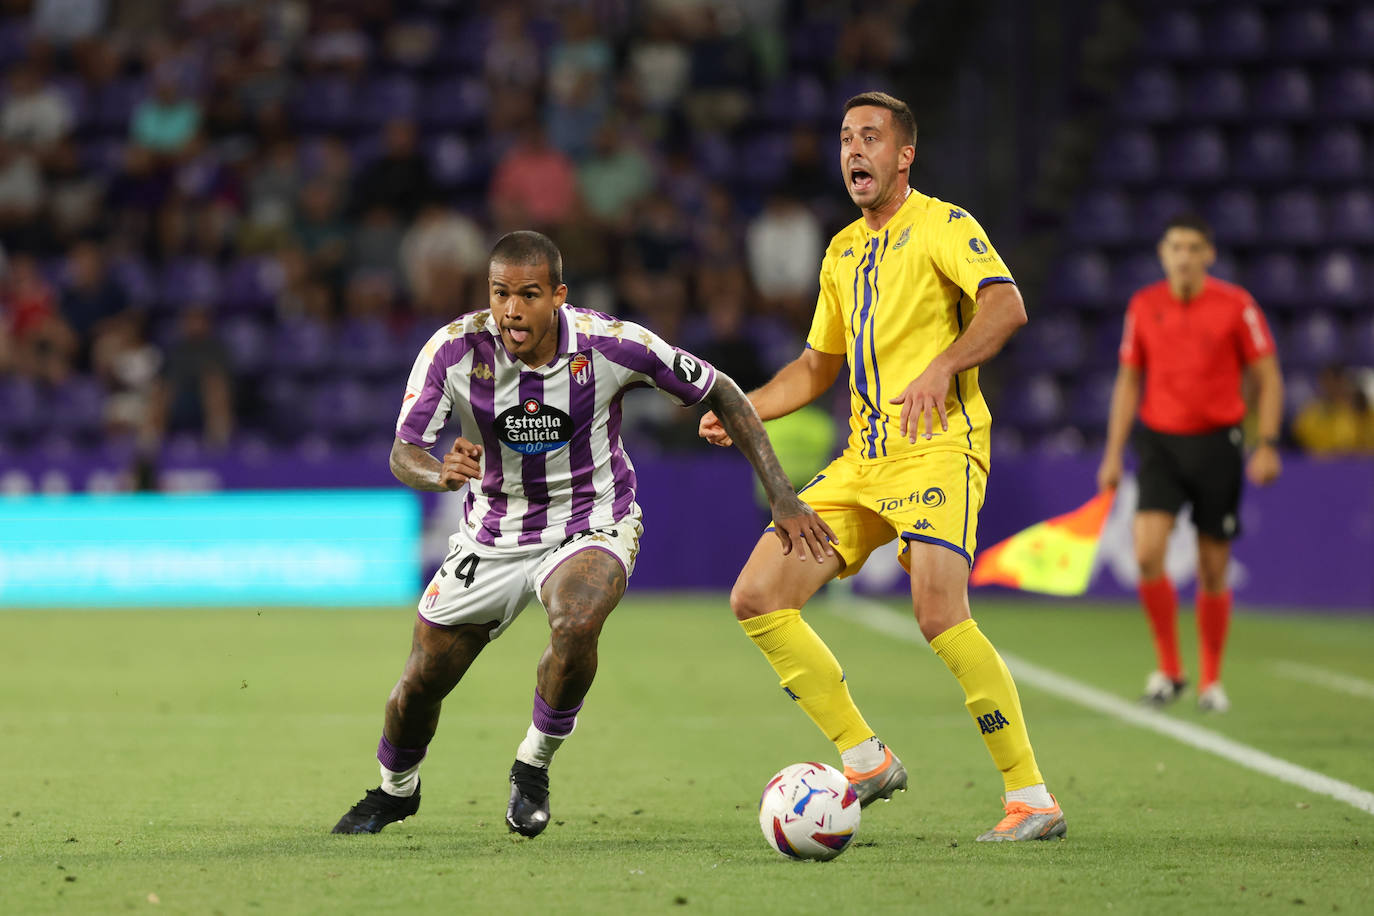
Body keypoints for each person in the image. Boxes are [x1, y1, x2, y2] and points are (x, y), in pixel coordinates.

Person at [332, 230, 834, 837]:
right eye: (499, 294)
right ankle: (395, 791)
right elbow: (402, 451)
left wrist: (781, 495)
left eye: (528, 294)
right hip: (490, 533)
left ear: (559, 296)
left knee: (575, 620)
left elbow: (720, 389)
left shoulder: (611, 345)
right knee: (420, 684)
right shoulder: (453, 350)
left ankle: (532, 764)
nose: (511, 310)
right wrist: (438, 473)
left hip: (591, 518)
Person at [699, 92, 1065, 842]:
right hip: (863, 461)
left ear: (904, 155)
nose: (853, 151)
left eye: (870, 138)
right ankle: (864, 758)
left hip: (939, 445)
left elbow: (1005, 305)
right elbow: (813, 366)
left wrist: (944, 367)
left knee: (937, 612)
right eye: (844, 139)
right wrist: (743, 408)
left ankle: (1031, 797)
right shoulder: (840, 250)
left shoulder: (944, 225)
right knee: (758, 594)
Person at [1097, 213, 1284, 713]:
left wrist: (1265, 442)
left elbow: (1267, 376)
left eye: (1193, 247)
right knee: (1146, 553)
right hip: (1159, 442)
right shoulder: (1144, 305)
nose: (1184, 256)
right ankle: (1170, 670)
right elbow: (1128, 380)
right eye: (1175, 246)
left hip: (1218, 444)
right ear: (1163, 254)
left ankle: (1211, 681)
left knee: (1212, 567)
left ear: (1209, 254)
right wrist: (1113, 453)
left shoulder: (1236, 305)